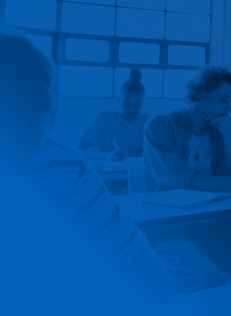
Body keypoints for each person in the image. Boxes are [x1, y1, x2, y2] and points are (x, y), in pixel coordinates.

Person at [0, 29, 171, 314]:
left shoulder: (60, 165)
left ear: (46, 125)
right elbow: (87, 145)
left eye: (25, 147)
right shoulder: (101, 119)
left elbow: (152, 284)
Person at [144, 66, 231, 192]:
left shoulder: (215, 132)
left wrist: (229, 129)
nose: (229, 108)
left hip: (208, 206)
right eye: (224, 100)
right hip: (167, 209)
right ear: (202, 95)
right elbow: (179, 178)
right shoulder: (159, 126)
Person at [79, 68, 150, 161]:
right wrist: (106, 156)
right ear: (119, 100)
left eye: (137, 104)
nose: (132, 109)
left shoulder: (148, 122)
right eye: (127, 103)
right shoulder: (102, 118)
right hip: (106, 174)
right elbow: (79, 151)